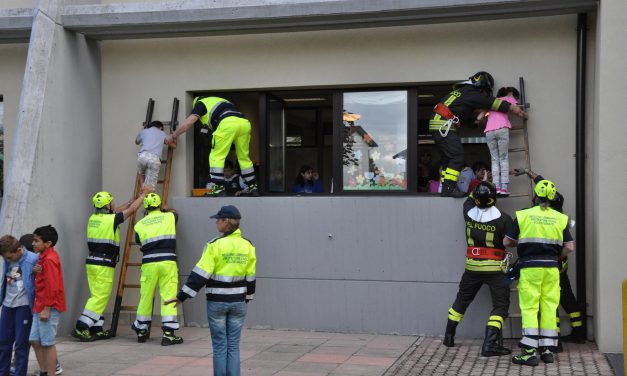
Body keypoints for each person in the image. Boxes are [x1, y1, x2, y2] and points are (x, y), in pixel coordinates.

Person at [165, 205, 256, 376]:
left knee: (220, 346)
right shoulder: (248, 246)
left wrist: (181, 297)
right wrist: (247, 297)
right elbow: (250, 276)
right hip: (238, 302)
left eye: (218, 219)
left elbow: (200, 275)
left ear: (225, 222)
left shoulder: (215, 245)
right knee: (234, 345)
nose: (216, 223)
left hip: (217, 303)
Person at [505, 179, 574, 366]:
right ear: (552, 198)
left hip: (530, 268)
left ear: (534, 195)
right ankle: (547, 350)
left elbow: (506, 241)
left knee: (529, 307)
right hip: (552, 268)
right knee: (549, 307)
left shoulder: (523, 215)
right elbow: (569, 246)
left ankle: (528, 352)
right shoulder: (560, 218)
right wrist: (559, 256)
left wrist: (519, 243)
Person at [516, 168, 586, 345]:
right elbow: (545, 185)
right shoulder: (559, 214)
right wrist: (529, 173)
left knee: (548, 302)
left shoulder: (537, 214)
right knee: (566, 297)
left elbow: (542, 187)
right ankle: (578, 331)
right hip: (559, 262)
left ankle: (554, 340)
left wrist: (527, 172)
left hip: (542, 263)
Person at [442, 181, 513, 357]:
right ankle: (489, 345)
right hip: (495, 269)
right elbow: (510, 242)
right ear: (493, 198)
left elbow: (469, 199)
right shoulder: (504, 218)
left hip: (472, 267)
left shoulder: (468, 213)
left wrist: (477, 191)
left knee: (462, 300)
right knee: (500, 306)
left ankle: (449, 337)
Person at [429, 71, 527, 197]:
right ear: (482, 86)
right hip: (443, 126)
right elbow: (490, 102)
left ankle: (446, 189)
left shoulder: (462, 92)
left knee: (449, 160)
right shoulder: (470, 92)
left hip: (439, 125)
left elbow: (463, 114)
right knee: (457, 157)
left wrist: (475, 122)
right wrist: (513, 108)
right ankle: (449, 189)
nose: (483, 94)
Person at [72, 186, 151, 342]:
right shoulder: (112, 219)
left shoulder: (93, 219)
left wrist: (129, 201)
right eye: (112, 202)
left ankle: (96, 328)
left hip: (92, 263)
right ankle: (82, 326)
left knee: (96, 295)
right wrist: (143, 195)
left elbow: (119, 210)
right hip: (103, 264)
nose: (114, 204)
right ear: (107, 206)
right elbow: (132, 210)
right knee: (100, 296)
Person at [165, 97, 258, 197]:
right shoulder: (221, 102)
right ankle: (253, 187)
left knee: (217, 156)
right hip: (244, 124)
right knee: (244, 157)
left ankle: (218, 188)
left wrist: (173, 135)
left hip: (227, 124)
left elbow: (189, 122)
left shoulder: (201, 104)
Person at [131, 192, 183, 346]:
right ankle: (168, 334)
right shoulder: (170, 217)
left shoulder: (139, 224)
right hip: (168, 262)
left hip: (148, 264)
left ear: (145, 207)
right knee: (168, 295)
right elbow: (175, 213)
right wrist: (166, 209)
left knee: (145, 296)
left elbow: (139, 242)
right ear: (160, 205)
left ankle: (142, 330)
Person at [29, 225, 66, 376]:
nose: (33, 243)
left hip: (48, 306)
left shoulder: (50, 259)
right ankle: (44, 371)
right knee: (35, 340)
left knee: (48, 343)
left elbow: (53, 286)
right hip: (40, 305)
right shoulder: (43, 257)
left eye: (37, 241)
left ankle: (50, 373)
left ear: (48, 243)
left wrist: (47, 308)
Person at [0, 235, 38, 376]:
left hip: (24, 306)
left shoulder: (33, 259)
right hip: (7, 305)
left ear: (18, 250)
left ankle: (19, 373)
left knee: (21, 344)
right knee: (3, 341)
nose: (7, 260)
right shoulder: (6, 258)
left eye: (9, 257)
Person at [485, 87, 520, 197]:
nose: (515, 99)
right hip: (502, 129)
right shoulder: (508, 98)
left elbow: (480, 116)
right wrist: (525, 115)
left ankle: (496, 188)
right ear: (510, 93)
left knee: (494, 160)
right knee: (503, 158)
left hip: (489, 131)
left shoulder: (492, 102)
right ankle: (504, 189)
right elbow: (518, 111)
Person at [135, 120, 177, 189]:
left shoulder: (144, 131)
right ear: (160, 127)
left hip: (142, 156)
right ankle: (147, 193)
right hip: (154, 159)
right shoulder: (162, 133)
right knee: (150, 185)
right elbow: (174, 146)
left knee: (141, 172)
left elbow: (136, 142)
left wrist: (142, 130)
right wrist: (174, 137)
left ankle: (142, 186)